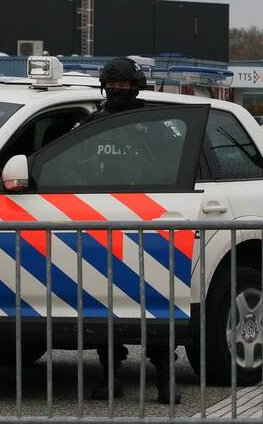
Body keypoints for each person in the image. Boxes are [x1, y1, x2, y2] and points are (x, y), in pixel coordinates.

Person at [84, 57, 181, 404]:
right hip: (104, 220)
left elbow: (173, 163)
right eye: (111, 85)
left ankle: (166, 379)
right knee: (105, 302)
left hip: (149, 221)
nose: (116, 90)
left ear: (135, 87)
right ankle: (110, 376)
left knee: (154, 304)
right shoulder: (94, 122)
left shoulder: (153, 125)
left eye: (123, 85)